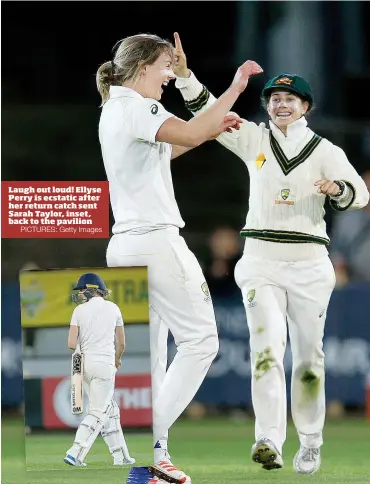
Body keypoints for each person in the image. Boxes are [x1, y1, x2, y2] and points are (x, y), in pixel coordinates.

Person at [172, 35, 369, 475]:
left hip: (310, 264)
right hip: (260, 260)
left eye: (290, 99)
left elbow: (361, 193)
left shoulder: (325, 151)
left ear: (306, 107)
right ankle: (268, 439)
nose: (281, 105)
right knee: (265, 350)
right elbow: (209, 113)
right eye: (275, 98)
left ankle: (312, 440)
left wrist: (337, 189)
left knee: (308, 358)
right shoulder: (254, 140)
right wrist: (185, 77)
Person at [96, 32, 262, 483]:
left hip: (125, 245)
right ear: (143, 66)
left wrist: (212, 128)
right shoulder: (136, 105)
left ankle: (149, 465)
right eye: (166, 66)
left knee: (150, 358)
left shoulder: (114, 110)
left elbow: (172, 147)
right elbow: (188, 129)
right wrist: (234, 90)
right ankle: (148, 444)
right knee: (202, 341)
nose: (170, 75)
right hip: (156, 242)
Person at [64, 273, 135, 467]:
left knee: (110, 410)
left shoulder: (79, 310)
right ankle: (75, 451)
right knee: (97, 411)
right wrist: (117, 359)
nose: (80, 294)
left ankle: (121, 456)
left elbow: (71, 343)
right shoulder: (114, 308)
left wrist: (81, 355)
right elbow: (121, 342)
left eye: (81, 291)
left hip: (83, 365)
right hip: (104, 365)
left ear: (89, 290)